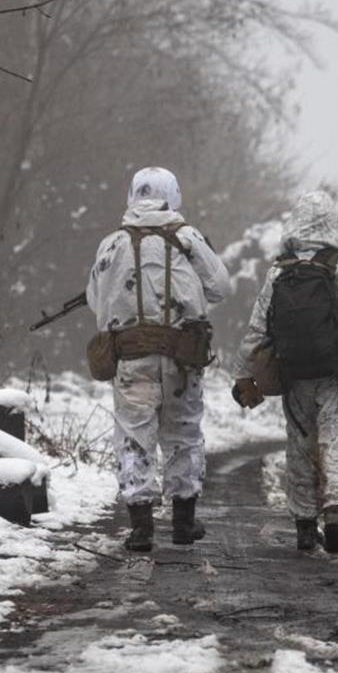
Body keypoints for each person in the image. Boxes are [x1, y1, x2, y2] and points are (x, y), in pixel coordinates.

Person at [230, 190, 338, 553]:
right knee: (336, 437)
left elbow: (257, 329)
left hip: (293, 373)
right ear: (333, 223)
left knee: (300, 444)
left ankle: (305, 524)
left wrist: (244, 375)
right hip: (337, 372)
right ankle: (335, 511)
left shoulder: (279, 271)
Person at [86, 167, 232, 552]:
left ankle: (141, 528)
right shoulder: (189, 239)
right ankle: (184, 523)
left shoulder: (112, 244)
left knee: (135, 438)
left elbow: (94, 300)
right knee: (183, 436)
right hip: (183, 357)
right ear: (174, 195)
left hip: (132, 358)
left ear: (131, 194)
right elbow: (220, 288)